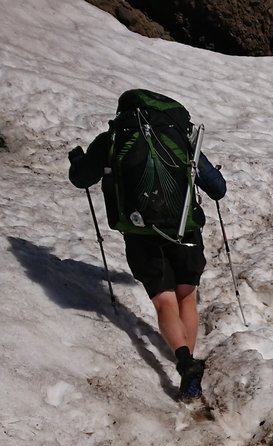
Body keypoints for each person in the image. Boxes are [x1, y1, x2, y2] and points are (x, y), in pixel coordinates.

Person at [68, 90, 227, 399]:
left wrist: (77, 161)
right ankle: (190, 367)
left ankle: (184, 362)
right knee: (186, 296)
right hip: (183, 229)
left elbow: (81, 179)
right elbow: (217, 188)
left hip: (140, 232)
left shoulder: (113, 139)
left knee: (164, 301)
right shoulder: (181, 137)